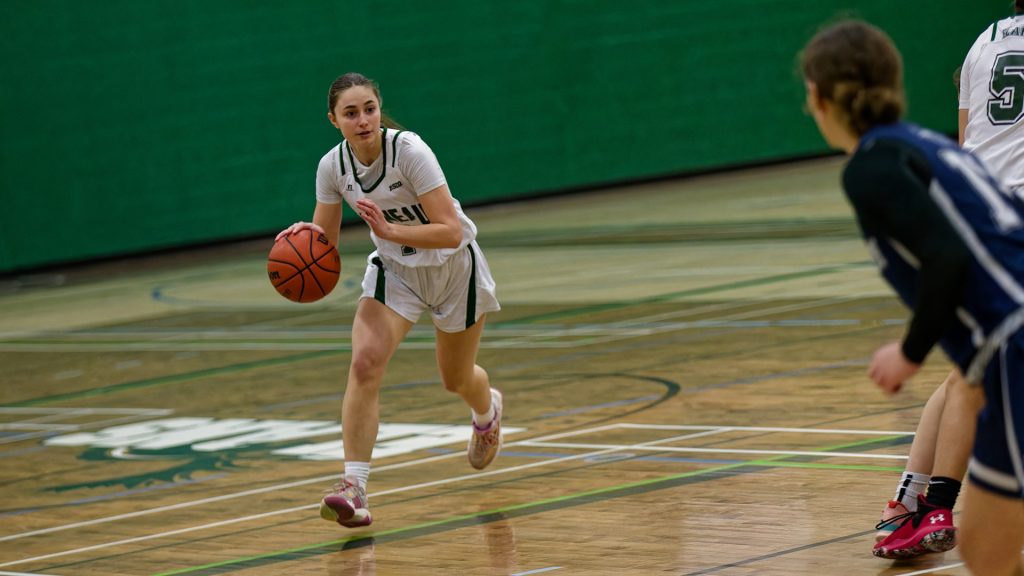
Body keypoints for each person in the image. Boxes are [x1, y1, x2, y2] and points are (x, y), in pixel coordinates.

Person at [801, 19, 1024, 575]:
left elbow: (948, 258)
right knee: (988, 550)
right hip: (999, 351)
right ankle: (921, 503)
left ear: (822, 98)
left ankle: (923, 504)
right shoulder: (927, 149)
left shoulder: (874, 168)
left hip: (1014, 341)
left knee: (992, 548)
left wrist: (909, 351)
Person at [276, 72, 504, 528]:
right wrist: (300, 239)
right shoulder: (332, 167)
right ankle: (354, 488)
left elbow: (450, 229)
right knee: (364, 363)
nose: (363, 120)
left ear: (380, 110)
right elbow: (328, 241)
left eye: (369, 110)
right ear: (333, 120)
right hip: (395, 273)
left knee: (456, 378)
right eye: (351, 113)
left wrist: (390, 229)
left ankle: (487, 411)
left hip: (453, 268)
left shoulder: (410, 152)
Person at [874, 0, 1024, 556]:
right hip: (1012, 228)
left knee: (969, 369)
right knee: (979, 373)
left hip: (972, 215)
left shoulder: (981, 43)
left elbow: (967, 146)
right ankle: (937, 504)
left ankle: (906, 503)